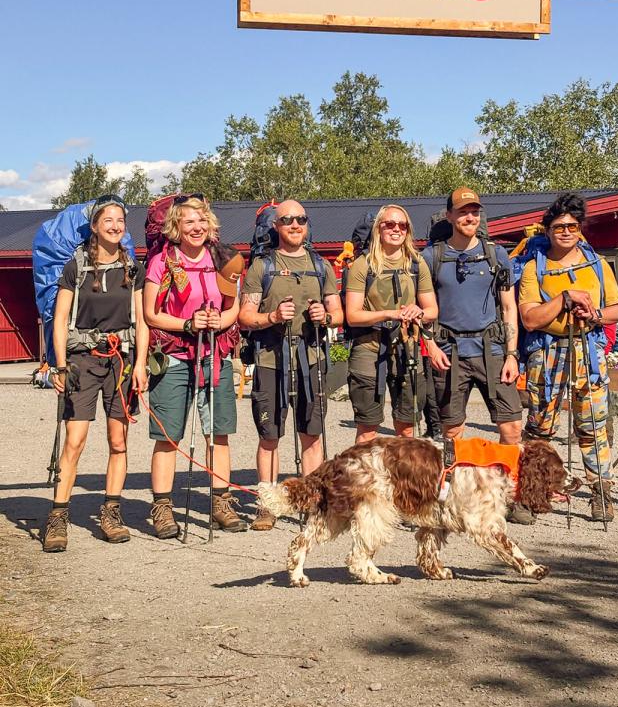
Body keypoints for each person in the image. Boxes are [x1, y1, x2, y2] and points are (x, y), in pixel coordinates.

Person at [43, 195, 148, 552]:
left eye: (120, 221)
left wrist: (141, 364)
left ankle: (111, 513)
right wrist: (60, 366)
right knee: (75, 441)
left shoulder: (133, 268)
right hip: (82, 361)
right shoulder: (75, 267)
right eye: (108, 221)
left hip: (121, 363)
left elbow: (142, 322)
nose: (116, 226)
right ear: (94, 227)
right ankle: (58, 516)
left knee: (119, 441)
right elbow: (60, 320)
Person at [519, 191, 618, 522]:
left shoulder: (597, 265)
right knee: (540, 427)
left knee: (593, 425)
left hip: (587, 351)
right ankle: (531, 494)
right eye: (559, 226)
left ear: (580, 229)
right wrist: (563, 298)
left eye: (572, 226)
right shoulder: (533, 268)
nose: (566, 232)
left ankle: (601, 494)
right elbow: (530, 319)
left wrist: (594, 315)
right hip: (546, 353)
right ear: (548, 230)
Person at [143, 195, 245, 538]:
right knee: (168, 436)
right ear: (176, 226)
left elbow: (233, 306)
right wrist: (188, 324)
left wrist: (220, 322)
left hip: (214, 353)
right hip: (175, 355)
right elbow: (151, 314)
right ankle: (162, 508)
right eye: (189, 221)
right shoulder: (162, 262)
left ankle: (221, 503)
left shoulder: (222, 258)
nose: (197, 227)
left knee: (218, 432)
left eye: (202, 220)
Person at [239, 200, 343, 531]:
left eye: (300, 219)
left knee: (311, 435)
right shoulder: (262, 266)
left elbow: (338, 313)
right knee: (269, 435)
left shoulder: (321, 266)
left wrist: (325, 317)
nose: (295, 224)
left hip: (310, 359)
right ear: (276, 226)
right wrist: (272, 316)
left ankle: (312, 502)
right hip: (271, 360)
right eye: (287, 220)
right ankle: (268, 505)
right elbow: (245, 316)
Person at [422, 187, 523, 464]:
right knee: (452, 432)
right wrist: (431, 347)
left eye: (475, 212)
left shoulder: (497, 255)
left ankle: (505, 485)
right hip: (450, 354)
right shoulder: (431, 257)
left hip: (493, 352)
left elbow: (509, 307)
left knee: (512, 428)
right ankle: (455, 486)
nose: (470, 217)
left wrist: (512, 355)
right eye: (463, 212)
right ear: (449, 215)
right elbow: (422, 309)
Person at [344, 204, 438, 443]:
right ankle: (366, 469)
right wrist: (389, 314)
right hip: (369, 347)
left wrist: (419, 311)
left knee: (407, 427)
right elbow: (352, 315)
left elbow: (432, 310)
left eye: (402, 225)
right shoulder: (363, 264)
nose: (397, 229)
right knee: (368, 428)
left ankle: (402, 469)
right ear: (379, 228)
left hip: (407, 348)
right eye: (390, 224)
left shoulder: (416, 263)